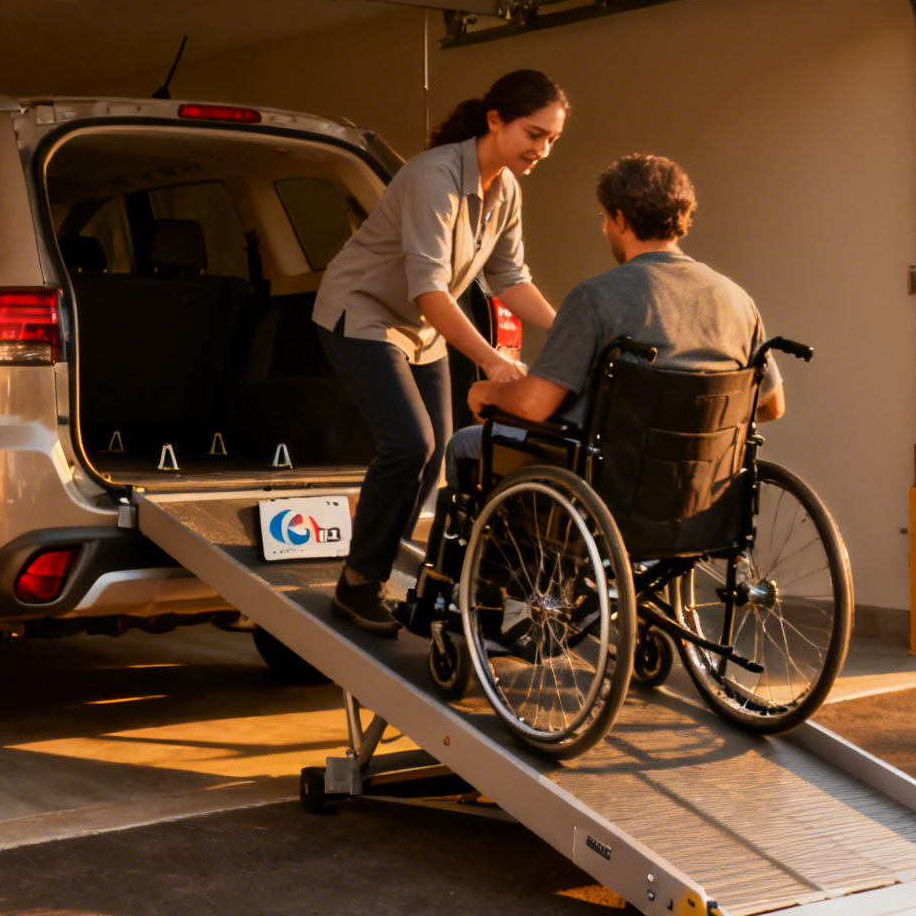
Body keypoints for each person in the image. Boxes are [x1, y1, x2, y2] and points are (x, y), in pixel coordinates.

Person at [315, 70, 568, 634]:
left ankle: (380, 569)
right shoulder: (435, 175)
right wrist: (493, 357)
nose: (543, 149)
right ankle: (357, 585)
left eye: (552, 138)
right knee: (410, 442)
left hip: (422, 330)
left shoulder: (506, 188)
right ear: (495, 120)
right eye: (534, 134)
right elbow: (429, 288)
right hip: (363, 314)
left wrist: (571, 330)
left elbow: (508, 276)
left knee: (440, 456)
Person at [457, 153, 784, 478]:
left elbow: (533, 406)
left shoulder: (595, 298)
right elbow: (772, 405)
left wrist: (488, 392)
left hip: (608, 480)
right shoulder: (739, 303)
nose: (604, 228)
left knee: (463, 444)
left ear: (620, 219)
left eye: (606, 217)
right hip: (699, 486)